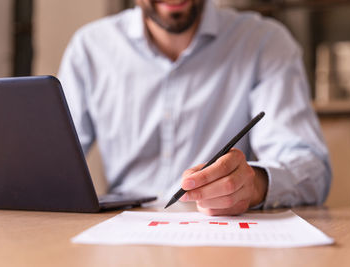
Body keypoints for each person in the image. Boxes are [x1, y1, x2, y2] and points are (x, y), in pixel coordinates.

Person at [58, 0, 331, 215]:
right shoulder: (90, 48)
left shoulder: (264, 42)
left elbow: (311, 168)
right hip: (118, 233)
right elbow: (52, 165)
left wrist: (255, 184)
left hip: (218, 234)